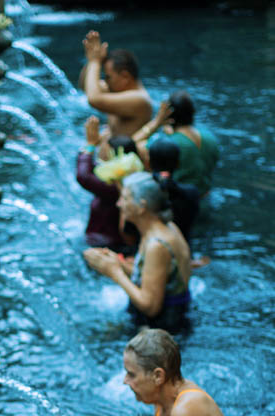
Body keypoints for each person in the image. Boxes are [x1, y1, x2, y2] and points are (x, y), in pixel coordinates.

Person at [84, 172, 191, 331]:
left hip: (163, 329)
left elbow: (150, 306)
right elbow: (151, 277)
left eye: (125, 199)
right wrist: (116, 262)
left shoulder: (157, 245)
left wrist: (114, 272)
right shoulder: (164, 228)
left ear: (141, 207)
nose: (119, 204)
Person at [76, 115, 141, 251]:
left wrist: (90, 145)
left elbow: (84, 176)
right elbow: (91, 169)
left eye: (104, 147)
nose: (100, 149)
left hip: (108, 247)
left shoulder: (117, 185)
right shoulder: (130, 173)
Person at [136, 91, 219, 195]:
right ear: (192, 113)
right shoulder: (210, 138)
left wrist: (156, 122)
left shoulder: (168, 144)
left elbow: (132, 145)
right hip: (202, 196)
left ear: (168, 116)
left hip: (176, 199)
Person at [82, 30, 152, 137]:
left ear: (125, 76)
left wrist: (94, 62)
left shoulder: (140, 99)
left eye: (108, 77)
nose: (105, 81)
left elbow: (93, 99)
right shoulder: (116, 90)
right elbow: (85, 86)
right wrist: (93, 58)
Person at [148, 138, 200, 243]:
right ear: (178, 164)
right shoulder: (192, 192)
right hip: (183, 248)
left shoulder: (142, 193)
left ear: (149, 163)